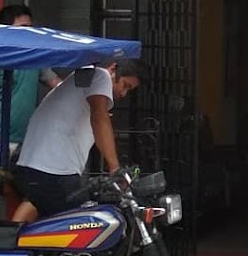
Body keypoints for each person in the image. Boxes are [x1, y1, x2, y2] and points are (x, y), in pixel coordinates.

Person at [11, 58, 147, 222]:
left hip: (32, 168)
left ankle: (14, 236)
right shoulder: (101, 76)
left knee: (39, 206)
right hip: (55, 173)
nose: (123, 94)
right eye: (125, 85)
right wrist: (115, 168)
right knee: (81, 224)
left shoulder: (84, 76)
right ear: (112, 69)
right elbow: (99, 119)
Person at [0, 4, 60, 155]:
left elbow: (57, 84)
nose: (29, 33)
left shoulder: (35, 58)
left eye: (30, 28)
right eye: (23, 28)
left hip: (26, 140)